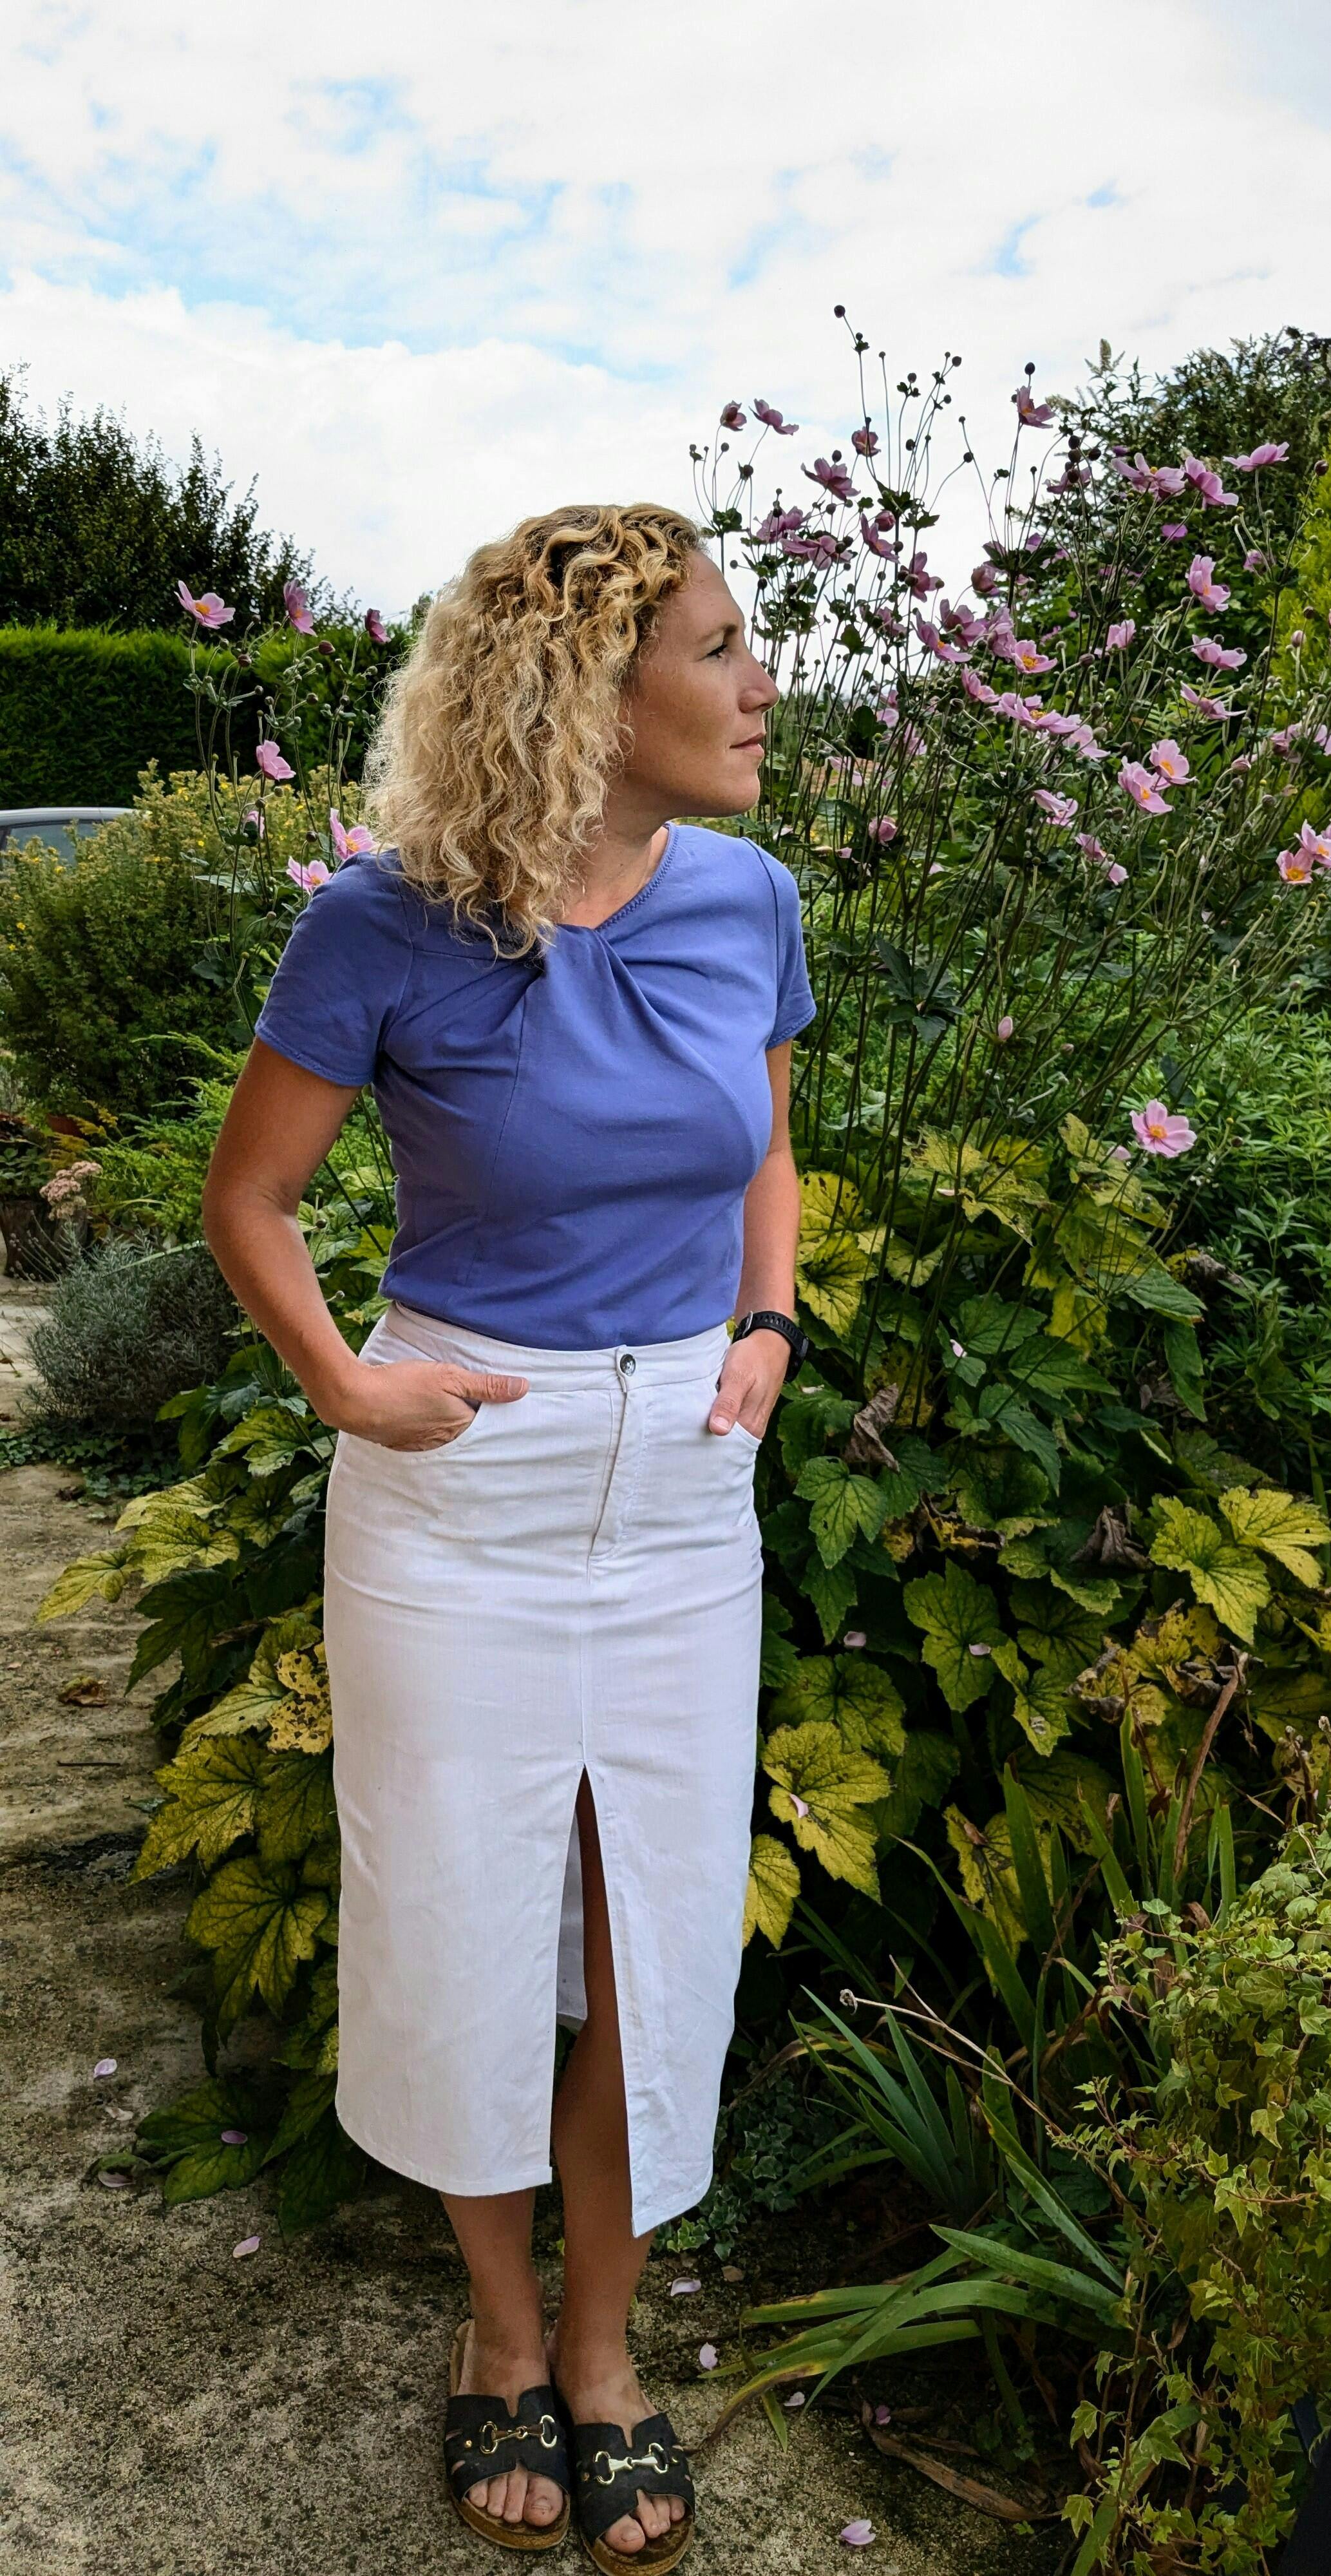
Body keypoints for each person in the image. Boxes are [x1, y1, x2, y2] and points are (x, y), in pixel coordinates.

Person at [200, 501, 816, 2570]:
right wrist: (340, 1386)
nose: (759, 687)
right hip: (464, 1479)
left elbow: (765, 1139)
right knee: (465, 1925)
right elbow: (250, 1201)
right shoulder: (383, 927)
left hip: (682, 1493)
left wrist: (767, 1324)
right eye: (717, 649)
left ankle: (607, 2350)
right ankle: (499, 2337)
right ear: (588, 693)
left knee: (653, 1928)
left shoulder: (744, 898)